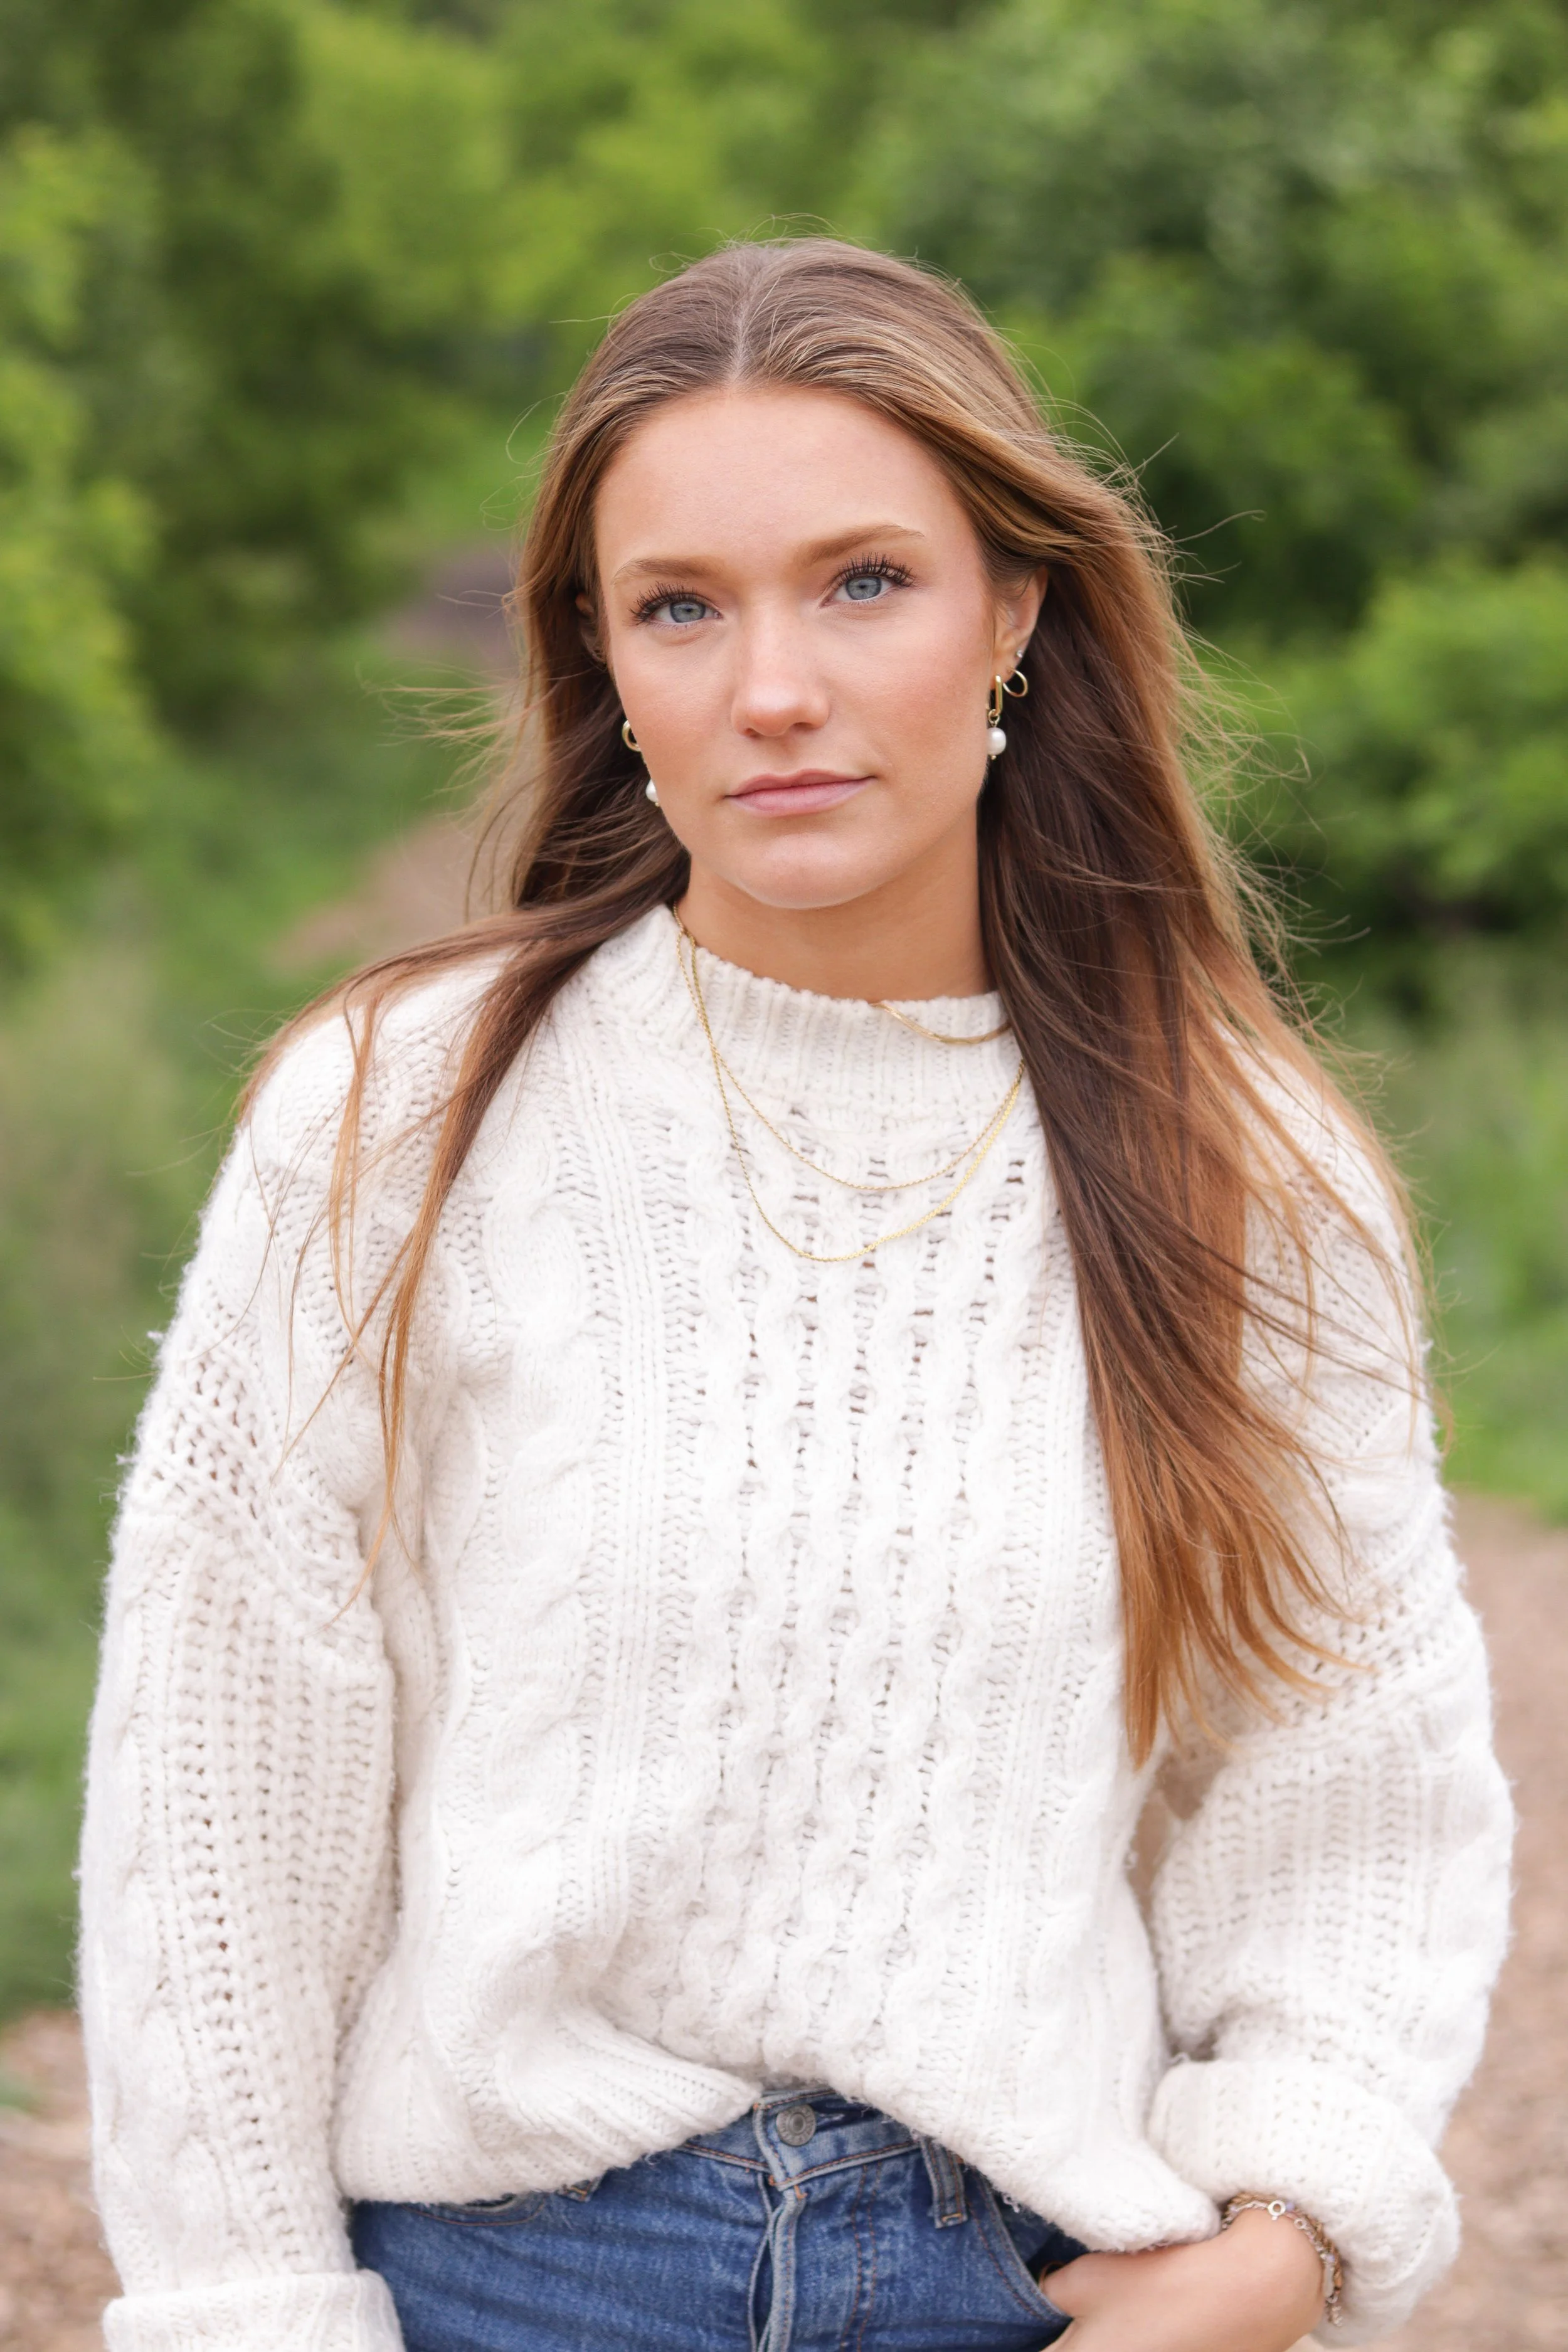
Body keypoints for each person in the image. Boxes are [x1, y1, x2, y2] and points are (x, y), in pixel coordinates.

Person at [79, 238, 1512, 2352]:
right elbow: (222, 1787)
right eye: (682, 604)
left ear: (1013, 610)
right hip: (505, 2286)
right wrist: (246, 2314)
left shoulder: (1241, 1169)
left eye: (862, 581)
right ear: (602, 659)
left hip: (1033, 2285)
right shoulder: (391, 1120)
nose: (772, 687)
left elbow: (1348, 1776)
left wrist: (1283, 2226)